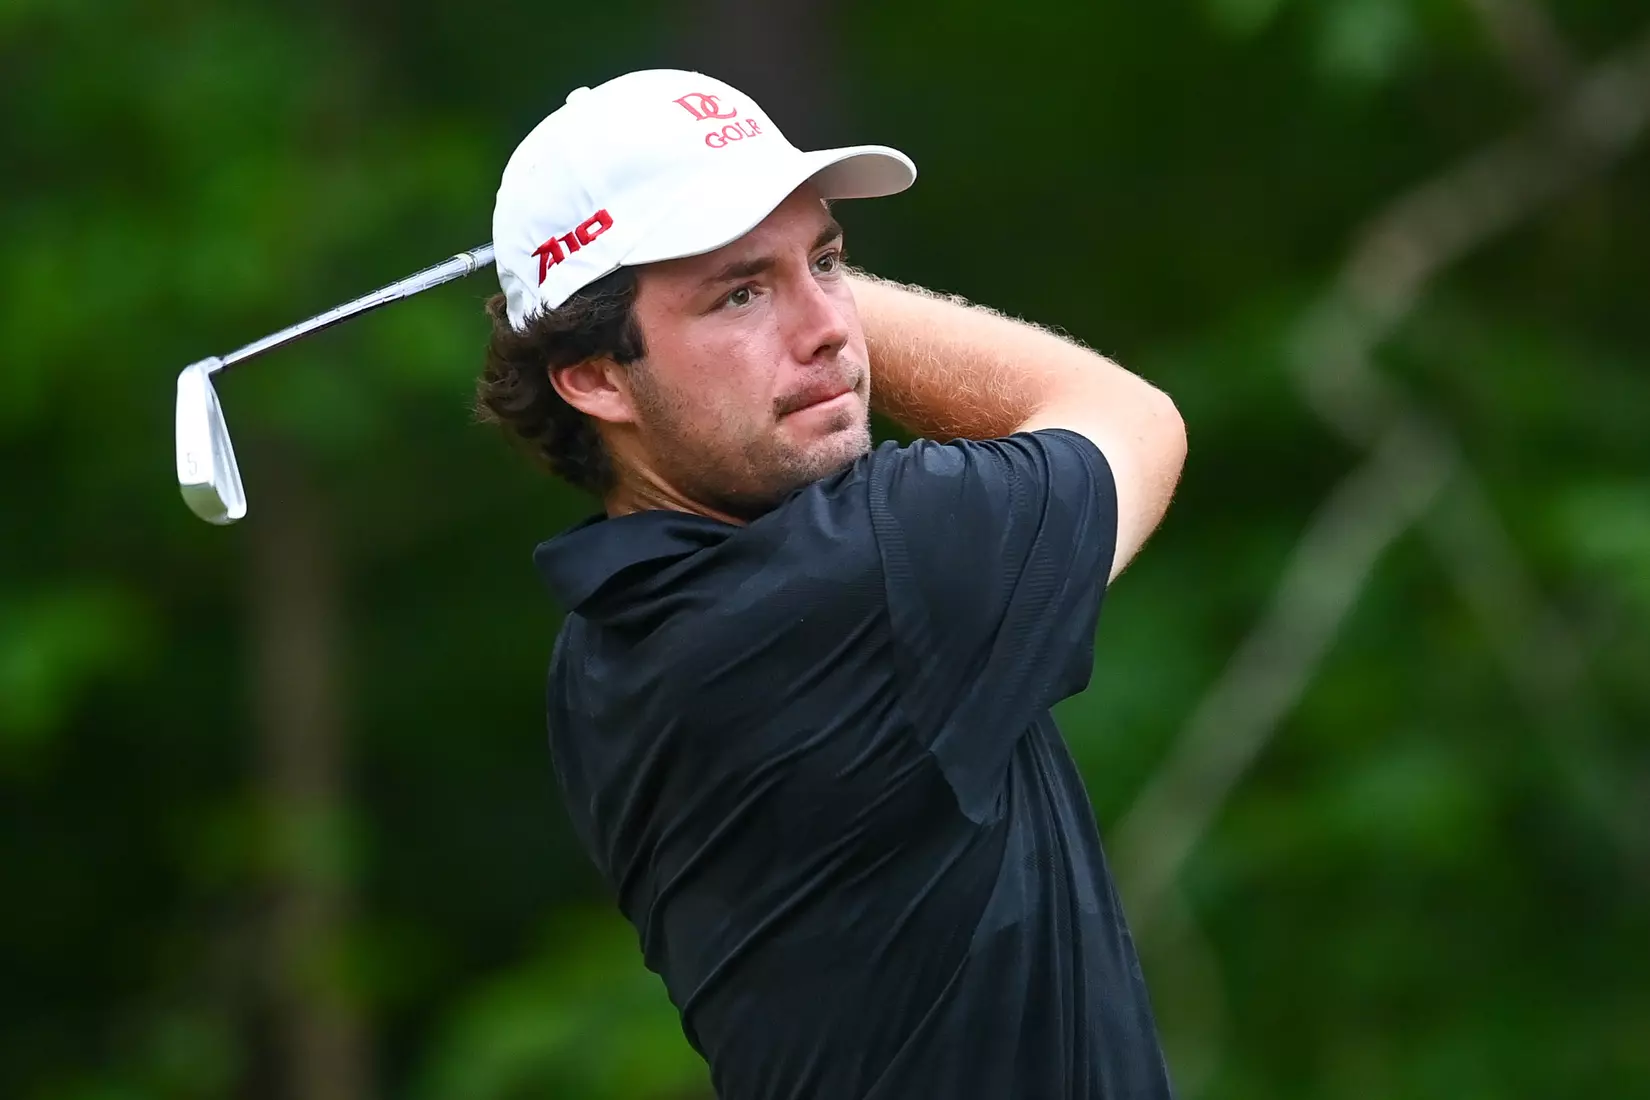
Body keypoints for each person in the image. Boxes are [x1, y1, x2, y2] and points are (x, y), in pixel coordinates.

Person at [477, 69, 1187, 1100]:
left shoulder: (601, 654)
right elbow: (1128, 418)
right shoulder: (864, 575)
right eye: (740, 293)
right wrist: (805, 271)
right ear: (591, 375)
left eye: (829, 260)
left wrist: (753, 264)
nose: (829, 327)